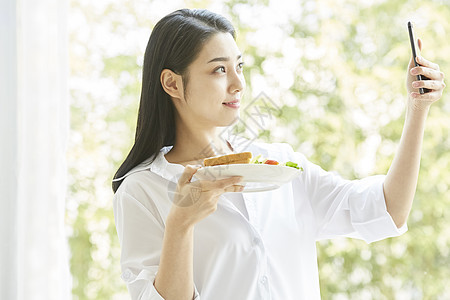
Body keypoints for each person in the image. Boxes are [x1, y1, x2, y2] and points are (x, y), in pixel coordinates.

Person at [111, 8, 446, 300]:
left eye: (239, 66)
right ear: (171, 84)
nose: (238, 84)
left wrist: (417, 109)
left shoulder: (278, 165)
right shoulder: (142, 190)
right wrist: (180, 224)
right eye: (218, 70)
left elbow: (388, 210)